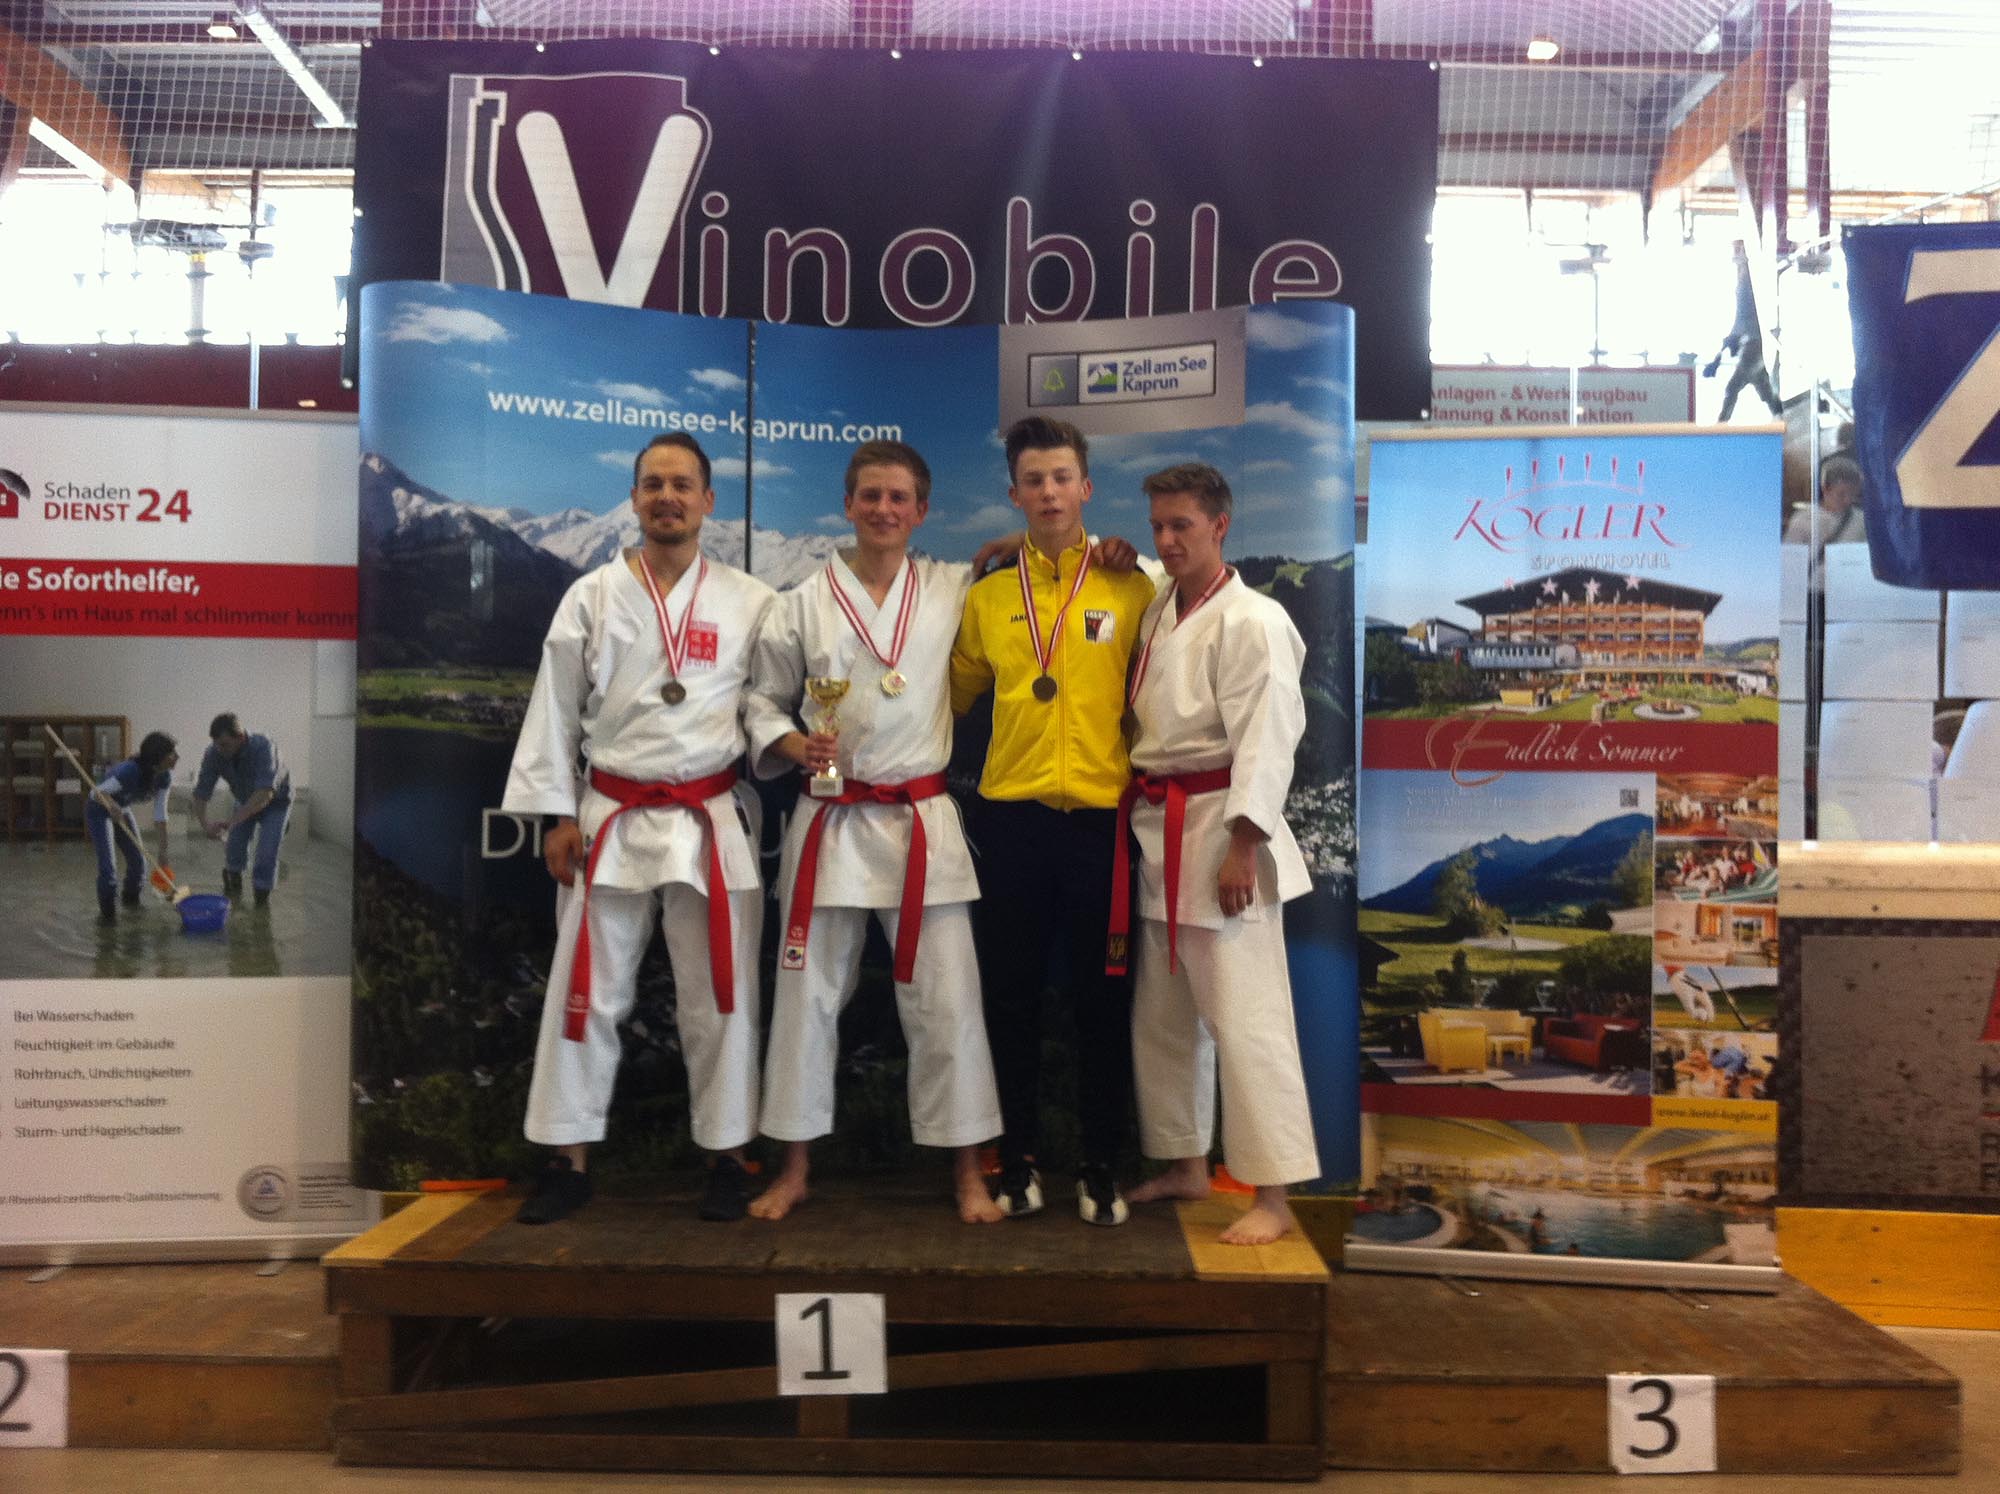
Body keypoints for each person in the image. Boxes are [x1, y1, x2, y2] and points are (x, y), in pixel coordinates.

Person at [501, 433, 776, 1226]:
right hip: (611, 815)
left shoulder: (752, 600)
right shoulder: (589, 596)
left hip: (707, 815)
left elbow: (769, 705)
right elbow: (555, 710)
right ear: (633, 498)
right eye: (653, 484)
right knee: (586, 992)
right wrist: (558, 814)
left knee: (720, 994)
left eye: (682, 485)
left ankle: (729, 1155)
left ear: (708, 501)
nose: (667, 497)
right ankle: (567, 1158)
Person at [744, 440, 1005, 1225]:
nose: (884, 510)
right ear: (848, 505)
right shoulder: (799, 603)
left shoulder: (954, 586)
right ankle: (794, 1168)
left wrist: (1092, 547)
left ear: (922, 511)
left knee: (948, 1004)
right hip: (830, 818)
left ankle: (968, 1172)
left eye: (898, 498)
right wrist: (794, 743)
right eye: (870, 496)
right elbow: (761, 702)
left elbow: (1039, 556)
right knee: (805, 1001)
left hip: (920, 823)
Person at [950, 416, 1157, 1226]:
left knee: (1104, 1001)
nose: (1048, 492)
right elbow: (951, 696)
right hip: (1012, 824)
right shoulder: (988, 597)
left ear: (1086, 487)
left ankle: (1101, 1164)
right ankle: (1018, 1159)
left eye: (1061, 477)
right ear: (1014, 493)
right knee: (1011, 1000)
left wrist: (1113, 550)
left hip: (1102, 827)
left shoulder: (1133, 587)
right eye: (1033, 480)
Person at [1111, 463, 1319, 1246]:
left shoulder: (1255, 620)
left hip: (1222, 830)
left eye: (1183, 526)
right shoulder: (1160, 606)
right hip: (1158, 831)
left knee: (1247, 1019)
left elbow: (1270, 740)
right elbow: (1109, 555)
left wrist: (1244, 845)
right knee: (1163, 1019)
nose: (1167, 540)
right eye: (1158, 527)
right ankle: (1186, 1162)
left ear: (1220, 525)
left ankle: (1274, 1194)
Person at [193, 713, 291, 908]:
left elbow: (265, 794)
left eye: (224, 745)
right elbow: (201, 793)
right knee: (234, 845)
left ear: (241, 737)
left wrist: (233, 821)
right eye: (216, 744)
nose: (220, 750)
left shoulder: (264, 747)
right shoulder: (214, 753)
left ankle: (261, 904)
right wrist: (205, 825)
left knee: (266, 851)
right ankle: (233, 891)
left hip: (276, 802)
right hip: (244, 798)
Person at [85, 730, 177, 920]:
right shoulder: (130, 772)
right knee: (108, 868)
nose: (177, 757)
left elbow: (160, 814)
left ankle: (131, 907)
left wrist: (163, 852)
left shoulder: (164, 776)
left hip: (122, 808)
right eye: (172, 753)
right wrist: (111, 805)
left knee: (139, 863)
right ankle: (108, 920)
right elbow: (95, 793)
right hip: (99, 809)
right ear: (157, 758)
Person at [1705, 240, 1782, 421]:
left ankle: (1722, 424)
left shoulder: (1747, 293)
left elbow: (1741, 322)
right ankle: (1779, 416)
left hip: (1751, 347)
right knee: (1763, 388)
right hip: (1755, 346)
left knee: (1734, 388)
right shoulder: (1749, 295)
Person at [1783, 453, 1866, 557]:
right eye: (1841, 494)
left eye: (1853, 494)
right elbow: (1790, 558)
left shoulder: (1861, 520)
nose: (1848, 500)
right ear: (1825, 488)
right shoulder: (1803, 520)